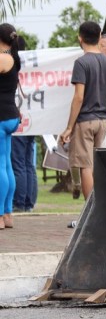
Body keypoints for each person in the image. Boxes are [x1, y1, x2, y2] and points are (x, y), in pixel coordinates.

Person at [60, 21, 106, 202]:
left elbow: (78, 97)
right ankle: (97, 208)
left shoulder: (81, 63)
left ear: (80, 38)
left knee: (85, 166)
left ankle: (90, 212)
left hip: (85, 120)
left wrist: (69, 127)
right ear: (100, 37)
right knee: (94, 166)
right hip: (103, 121)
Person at [11, 36, 36, 212]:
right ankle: (29, 202)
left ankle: (19, 202)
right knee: (28, 162)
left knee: (18, 162)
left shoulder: (11, 64)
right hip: (36, 119)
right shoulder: (34, 64)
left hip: (18, 118)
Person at [0, 23, 22, 229]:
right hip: (11, 116)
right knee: (5, 165)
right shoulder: (13, 58)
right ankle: (7, 215)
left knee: (1, 166)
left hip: (1, 116)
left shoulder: (2, 58)